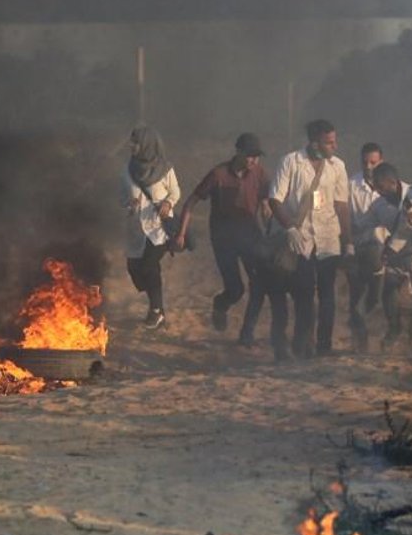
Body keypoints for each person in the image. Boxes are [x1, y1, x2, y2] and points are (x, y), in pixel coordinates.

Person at [175, 133, 289, 356]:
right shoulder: (218, 175)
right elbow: (191, 202)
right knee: (236, 289)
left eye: (256, 156)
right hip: (223, 240)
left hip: (250, 236)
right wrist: (181, 233)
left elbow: (267, 201)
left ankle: (246, 335)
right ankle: (221, 303)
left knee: (259, 285)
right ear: (238, 152)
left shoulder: (259, 173)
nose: (253, 161)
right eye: (249, 156)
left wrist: (268, 218)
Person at [269, 119, 352, 358]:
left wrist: (349, 242)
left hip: (328, 237)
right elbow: (275, 199)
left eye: (335, 141)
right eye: (329, 142)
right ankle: (302, 344)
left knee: (327, 294)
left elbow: (342, 206)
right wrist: (290, 229)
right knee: (304, 291)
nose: (334, 146)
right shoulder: (291, 162)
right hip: (301, 237)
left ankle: (324, 346)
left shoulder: (337, 167)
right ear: (314, 143)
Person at [121, 125, 181, 329]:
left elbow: (175, 193)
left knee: (149, 266)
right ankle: (158, 306)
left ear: (147, 144)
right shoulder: (128, 169)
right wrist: (129, 203)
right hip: (137, 229)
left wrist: (167, 204)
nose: (132, 146)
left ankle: (156, 311)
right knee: (134, 270)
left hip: (159, 230)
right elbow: (122, 195)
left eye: (135, 142)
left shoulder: (165, 169)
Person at [370, 163, 412, 350]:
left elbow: (406, 229)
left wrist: (388, 251)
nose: (378, 191)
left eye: (380, 187)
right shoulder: (379, 203)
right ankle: (394, 328)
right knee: (389, 284)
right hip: (399, 248)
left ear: (393, 182)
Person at [346, 142, 386, 352]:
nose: (369, 166)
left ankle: (361, 324)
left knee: (375, 297)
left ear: (381, 161)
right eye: (365, 162)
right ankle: (359, 340)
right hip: (358, 248)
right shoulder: (351, 185)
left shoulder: (391, 185)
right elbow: (343, 218)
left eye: (373, 162)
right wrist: (348, 243)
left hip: (382, 252)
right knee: (356, 294)